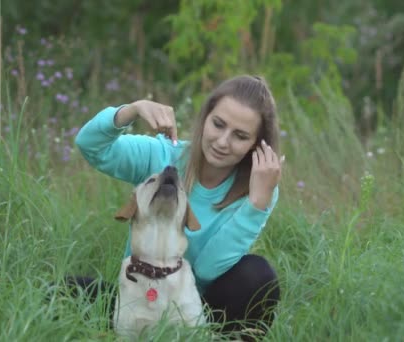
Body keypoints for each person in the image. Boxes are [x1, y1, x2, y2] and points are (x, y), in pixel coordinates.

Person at [71, 74, 283, 340]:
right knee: (64, 291)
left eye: (240, 136)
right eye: (218, 124)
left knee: (257, 275)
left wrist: (255, 205)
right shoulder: (162, 156)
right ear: (205, 117)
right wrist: (132, 110)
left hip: (202, 312)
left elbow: (206, 270)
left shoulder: (257, 189)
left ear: (257, 145)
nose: (222, 142)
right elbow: (90, 145)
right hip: (138, 300)